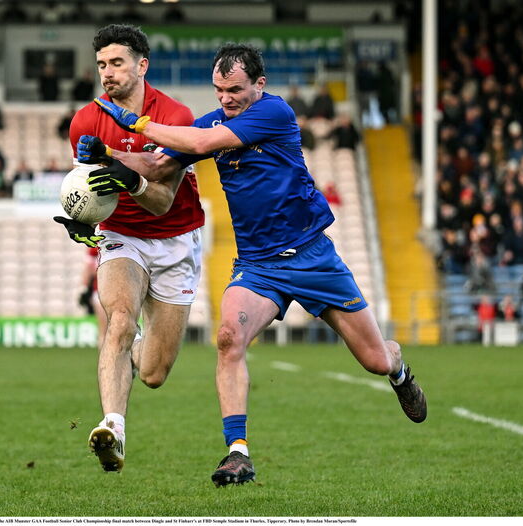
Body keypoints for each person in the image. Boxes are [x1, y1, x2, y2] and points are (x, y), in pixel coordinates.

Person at [88, 42, 426, 486]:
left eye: (234, 90)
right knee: (228, 338)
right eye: (218, 90)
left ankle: (398, 366)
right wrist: (108, 158)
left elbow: (203, 142)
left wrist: (137, 121)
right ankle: (237, 452)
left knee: (374, 360)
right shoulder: (215, 120)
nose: (225, 99)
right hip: (258, 265)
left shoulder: (275, 114)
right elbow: (156, 163)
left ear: (259, 85)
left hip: (312, 257)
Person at [53, 24, 205, 473]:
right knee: (119, 318)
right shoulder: (85, 119)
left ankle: (136, 346)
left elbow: (160, 201)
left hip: (175, 238)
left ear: (142, 65)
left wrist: (131, 175)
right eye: (101, 64)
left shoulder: (177, 117)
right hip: (122, 237)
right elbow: (87, 187)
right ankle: (113, 428)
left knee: (154, 374)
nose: (107, 73)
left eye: (117, 63)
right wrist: (77, 221)